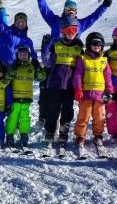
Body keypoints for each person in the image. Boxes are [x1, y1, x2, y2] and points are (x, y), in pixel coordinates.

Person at [41, 16, 84, 151]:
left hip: (69, 86)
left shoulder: (78, 47)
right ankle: (50, 132)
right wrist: (46, 47)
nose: (71, 32)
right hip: (55, 84)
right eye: (68, 29)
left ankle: (63, 132)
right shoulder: (57, 45)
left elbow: (82, 67)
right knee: (53, 110)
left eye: (74, 29)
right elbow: (47, 63)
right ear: (62, 30)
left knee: (67, 110)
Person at [72, 32, 113, 151]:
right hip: (86, 93)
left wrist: (109, 92)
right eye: (94, 43)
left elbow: (108, 77)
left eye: (99, 44)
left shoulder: (104, 60)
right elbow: (78, 74)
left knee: (99, 116)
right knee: (83, 116)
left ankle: (98, 135)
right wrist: (78, 89)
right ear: (88, 44)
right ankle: (80, 135)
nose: (96, 46)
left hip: (100, 94)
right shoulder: (83, 59)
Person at [4, 45, 46, 149]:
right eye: (21, 54)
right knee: (12, 117)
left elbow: (41, 77)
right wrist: (13, 67)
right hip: (15, 98)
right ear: (17, 55)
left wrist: (38, 67)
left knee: (25, 118)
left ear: (28, 55)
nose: (23, 56)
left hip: (27, 98)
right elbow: (7, 78)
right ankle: (10, 134)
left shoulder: (31, 66)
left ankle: (24, 133)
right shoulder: (14, 65)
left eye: (25, 54)